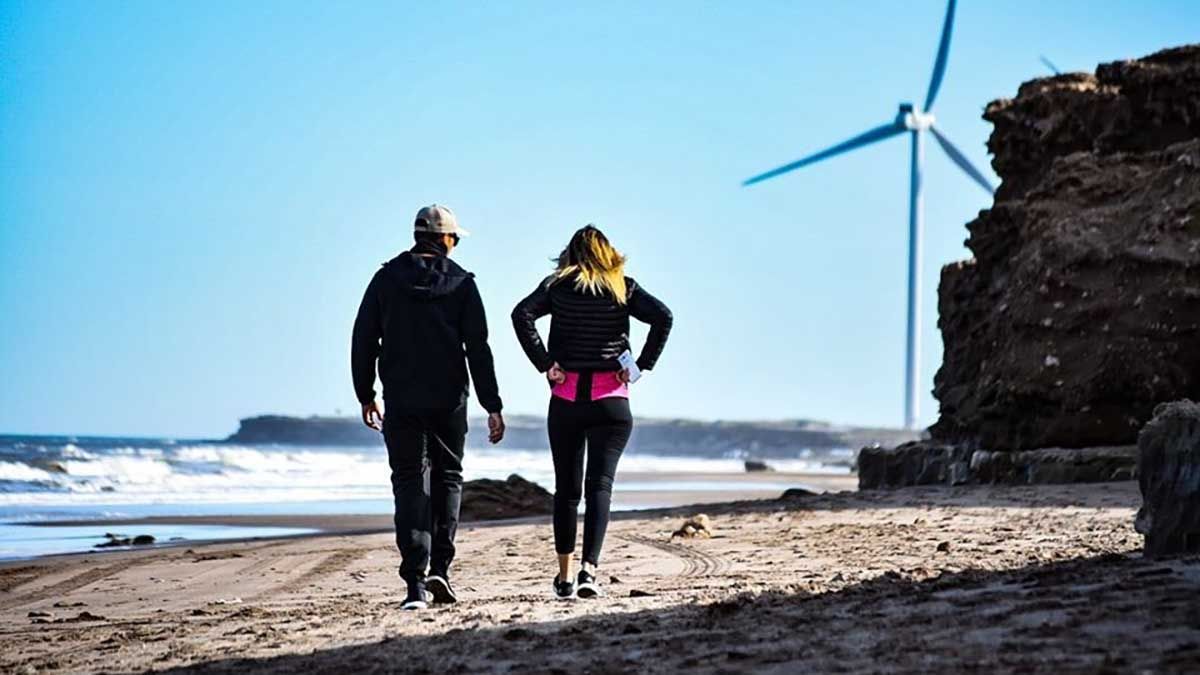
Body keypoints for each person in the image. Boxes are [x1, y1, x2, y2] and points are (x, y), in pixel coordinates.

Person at [351, 204, 506, 610]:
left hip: (401, 400)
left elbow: (364, 338)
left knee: (408, 484)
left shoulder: (385, 279)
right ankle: (441, 566)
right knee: (448, 480)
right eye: (454, 238)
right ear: (445, 239)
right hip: (449, 401)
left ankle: (414, 585)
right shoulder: (462, 284)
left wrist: (365, 393)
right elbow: (478, 349)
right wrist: (492, 404)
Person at [511, 224, 673, 599]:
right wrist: (640, 366)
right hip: (612, 402)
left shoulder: (556, 286)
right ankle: (589, 572)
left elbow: (521, 315)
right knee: (600, 486)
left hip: (566, 400)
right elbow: (664, 317)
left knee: (566, 491)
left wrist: (545, 363)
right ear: (608, 254)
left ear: (569, 254)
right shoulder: (623, 287)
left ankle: (564, 577)